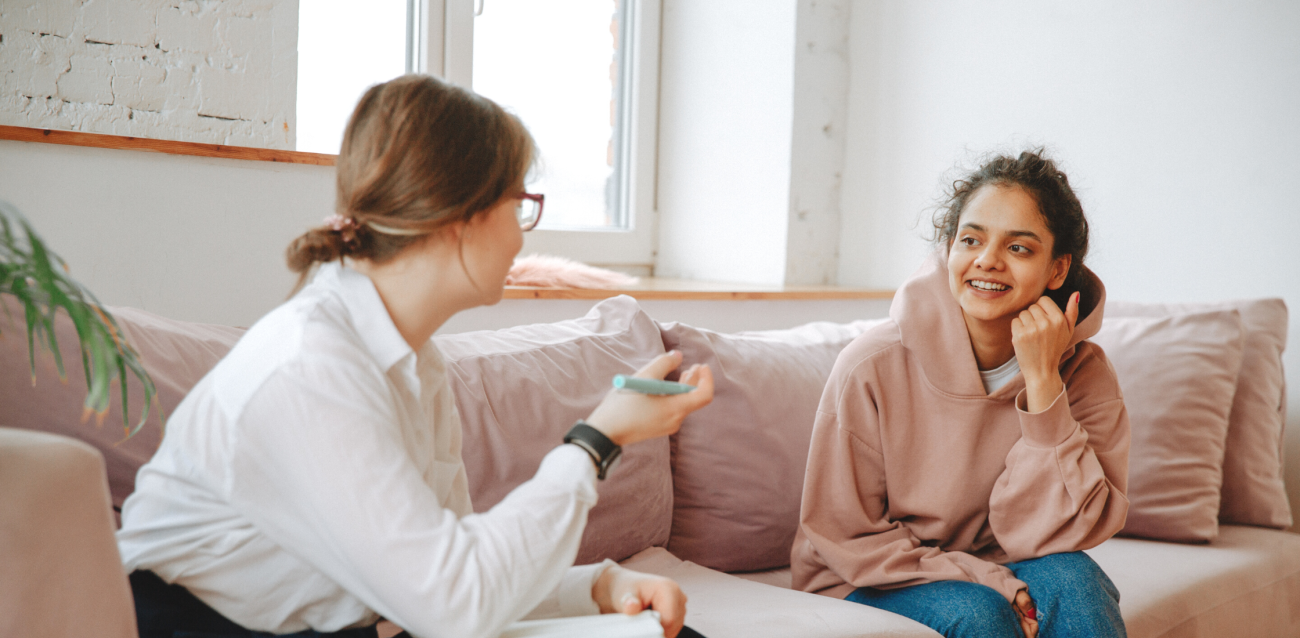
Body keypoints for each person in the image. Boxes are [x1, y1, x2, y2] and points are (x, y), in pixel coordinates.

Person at [117, 74, 714, 638]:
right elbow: (453, 603)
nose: (522, 234)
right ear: (463, 216)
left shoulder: (414, 360)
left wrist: (600, 588)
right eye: (519, 204)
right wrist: (596, 440)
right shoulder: (311, 367)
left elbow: (446, 568)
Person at [791, 151, 1130, 638]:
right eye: (971, 239)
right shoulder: (870, 366)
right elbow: (844, 534)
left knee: (1075, 581)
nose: (987, 260)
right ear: (949, 249)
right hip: (864, 576)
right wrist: (986, 578)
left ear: (1057, 270)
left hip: (1002, 560)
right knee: (978, 614)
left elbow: (1069, 533)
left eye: (1019, 248)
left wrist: (1043, 388)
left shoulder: (1086, 374)